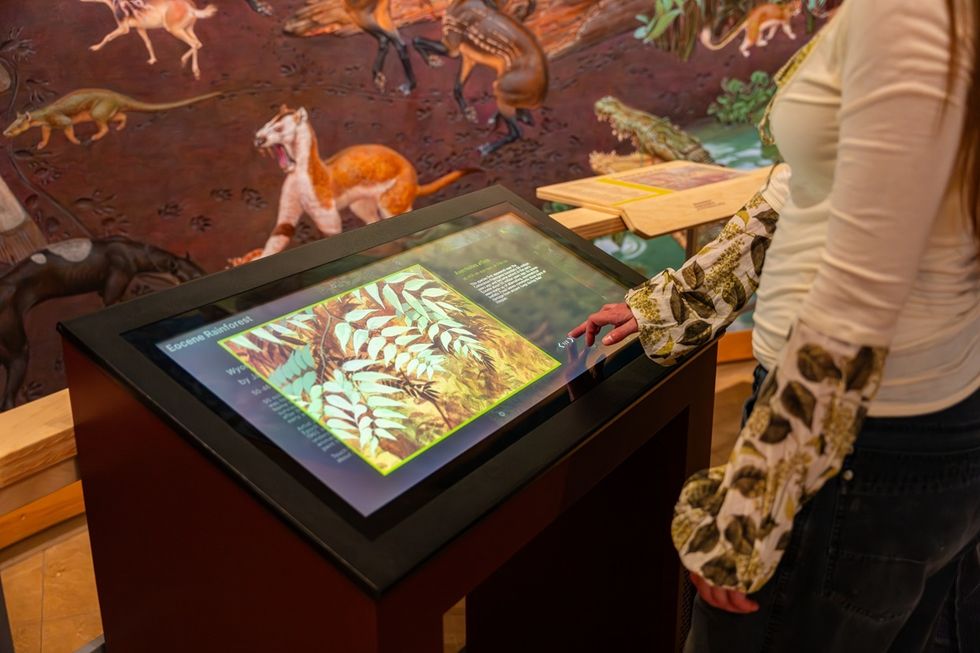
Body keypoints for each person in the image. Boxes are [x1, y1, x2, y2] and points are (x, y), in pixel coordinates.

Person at [570, 0, 979, 650]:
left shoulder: (910, 11)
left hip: (849, 442)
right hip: (897, 426)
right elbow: (804, 187)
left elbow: (857, 297)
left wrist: (754, 508)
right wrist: (677, 301)